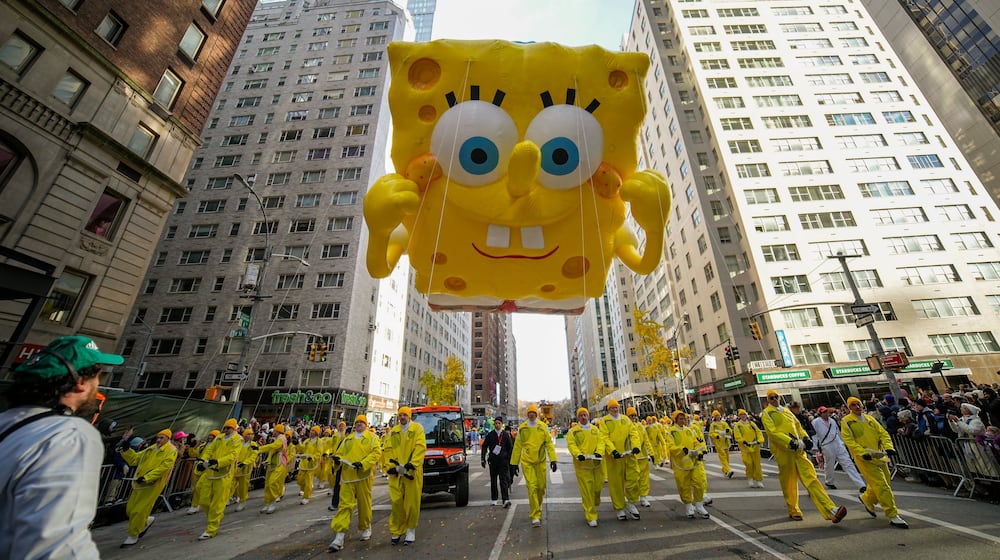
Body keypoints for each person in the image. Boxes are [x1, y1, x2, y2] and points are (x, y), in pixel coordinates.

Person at [0, 335, 123, 559]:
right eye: (98, 375)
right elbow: (57, 544)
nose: (98, 384)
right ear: (80, 382)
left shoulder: (7, 424)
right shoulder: (68, 435)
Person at [761, 390, 847, 523]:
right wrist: (790, 442)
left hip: (798, 451)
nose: (774, 399)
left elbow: (798, 426)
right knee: (789, 483)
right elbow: (772, 433)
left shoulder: (786, 411)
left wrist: (805, 438)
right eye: (771, 398)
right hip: (784, 453)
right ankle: (793, 509)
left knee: (811, 478)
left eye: (776, 397)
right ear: (768, 400)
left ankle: (831, 509)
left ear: (779, 397)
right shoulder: (767, 414)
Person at [841, 397, 907, 528]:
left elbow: (883, 433)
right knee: (881, 485)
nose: (857, 407)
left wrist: (889, 447)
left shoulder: (871, 419)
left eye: (858, 404)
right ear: (850, 408)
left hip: (880, 455)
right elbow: (848, 440)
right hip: (864, 458)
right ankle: (892, 514)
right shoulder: (847, 421)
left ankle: (867, 498)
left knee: (885, 482)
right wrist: (862, 453)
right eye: (853, 405)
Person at [328, 415, 382, 552]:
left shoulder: (372, 438)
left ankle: (366, 527)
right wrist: (336, 459)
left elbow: (376, 453)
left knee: (364, 504)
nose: (358, 424)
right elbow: (340, 453)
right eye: (357, 422)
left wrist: (363, 463)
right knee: (345, 505)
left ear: (366, 424)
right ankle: (339, 537)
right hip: (347, 477)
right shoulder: (348, 438)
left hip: (363, 476)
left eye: (361, 422)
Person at [119, 427, 177, 546]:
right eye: (157, 437)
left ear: (168, 438)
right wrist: (126, 449)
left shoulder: (171, 451)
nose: (158, 440)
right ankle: (145, 521)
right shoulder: (150, 449)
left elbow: (164, 468)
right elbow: (135, 459)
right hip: (139, 483)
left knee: (139, 510)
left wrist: (147, 477)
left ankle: (133, 534)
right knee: (130, 509)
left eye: (161, 438)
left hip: (153, 484)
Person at [383, 406, 426, 545]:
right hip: (397, 474)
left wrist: (413, 464)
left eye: (404, 415)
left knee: (411, 503)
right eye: (400, 415)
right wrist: (390, 467)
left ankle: (410, 530)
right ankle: (396, 530)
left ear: (409, 416)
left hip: (411, 473)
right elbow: (389, 449)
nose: (402, 417)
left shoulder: (417, 429)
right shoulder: (394, 432)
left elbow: (420, 446)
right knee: (396, 503)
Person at [511, 404, 558, 527]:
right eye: (529, 413)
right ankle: (535, 515)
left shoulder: (542, 427)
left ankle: (538, 505)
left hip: (540, 462)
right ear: (528, 415)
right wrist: (514, 463)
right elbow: (517, 446)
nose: (531, 415)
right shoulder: (522, 428)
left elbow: (549, 444)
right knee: (532, 487)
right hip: (527, 462)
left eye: (533, 413)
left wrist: (553, 460)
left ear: (536, 415)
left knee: (541, 487)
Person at [197, 418, 241, 539]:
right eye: (225, 428)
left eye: (228, 428)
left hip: (224, 474)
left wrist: (218, 462)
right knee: (204, 500)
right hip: (210, 472)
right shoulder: (219, 437)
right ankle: (216, 516)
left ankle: (211, 529)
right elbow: (210, 449)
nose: (226, 430)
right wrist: (202, 460)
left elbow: (232, 456)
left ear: (233, 428)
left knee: (218, 503)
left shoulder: (237, 439)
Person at [598, 399, 641, 521]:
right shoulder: (605, 421)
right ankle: (619, 508)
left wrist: (636, 446)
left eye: (616, 407)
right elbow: (604, 437)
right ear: (609, 409)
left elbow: (633, 433)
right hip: (615, 458)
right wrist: (613, 451)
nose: (615, 410)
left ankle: (631, 503)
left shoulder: (625, 419)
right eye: (612, 408)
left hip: (629, 456)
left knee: (634, 479)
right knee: (616, 484)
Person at [665, 410, 710, 519]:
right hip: (681, 464)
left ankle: (699, 505)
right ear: (675, 420)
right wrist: (681, 450)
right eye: (680, 419)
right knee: (684, 486)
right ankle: (688, 505)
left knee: (699, 483)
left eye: (684, 418)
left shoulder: (690, 431)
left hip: (694, 462)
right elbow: (671, 447)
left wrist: (700, 452)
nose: (683, 420)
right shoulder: (670, 432)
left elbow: (696, 443)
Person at [811, 406, 866, 492]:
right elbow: (814, 435)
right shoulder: (816, 422)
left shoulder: (832, 421)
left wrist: (843, 443)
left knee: (848, 463)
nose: (826, 414)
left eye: (826, 412)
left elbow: (838, 432)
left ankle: (861, 485)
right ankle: (829, 481)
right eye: (824, 412)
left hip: (837, 443)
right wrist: (814, 446)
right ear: (820, 414)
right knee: (829, 464)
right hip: (826, 445)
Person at [566, 407, 604, 526]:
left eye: (585, 415)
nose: (583, 417)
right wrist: (578, 455)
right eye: (581, 415)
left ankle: (594, 502)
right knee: (587, 492)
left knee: (597, 489)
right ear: (578, 417)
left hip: (596, 465)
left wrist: (599, 452)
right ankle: (591, 516)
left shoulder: (595, 430)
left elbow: (601, 442)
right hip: (582, 467)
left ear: (588, 416)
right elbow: (572, 445)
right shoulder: (573, 432)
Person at [481, 416, 513, 507]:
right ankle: (494, 499)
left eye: (499, 423)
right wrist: (482, 459)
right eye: (496, 423)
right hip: (493, 461)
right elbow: (484, 446)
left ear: (502, 424)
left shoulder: (506, 435)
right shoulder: (490, 435)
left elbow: (510, 448)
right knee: (493, 480)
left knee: (503, 480)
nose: (497, 425)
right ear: (494, 424)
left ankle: (505, 499)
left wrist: (510, 460)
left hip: (503, 462)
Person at [258, 424, 290, 514]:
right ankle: (267, 503)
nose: (273, 432)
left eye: (274, 430)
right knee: (267, 484)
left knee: (273, 482)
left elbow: (273, 447)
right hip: (272, 465)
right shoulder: (277, 439)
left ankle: (272, 503)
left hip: (280, 464)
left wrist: (259, 449)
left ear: (278, 431)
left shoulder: (281, 439)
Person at [626, 407, 655, 507]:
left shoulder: (640, 427)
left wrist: (651, 453)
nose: (633, 417)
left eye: (634, 415)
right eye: (631, 415)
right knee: (633, 479)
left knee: (644, 478)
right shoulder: (625, 427)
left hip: (642, 457)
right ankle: (632, 499)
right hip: (631, 457)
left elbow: (646, 441)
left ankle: (643, 497)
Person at [733, 409, 765, 488]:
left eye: (744, 414)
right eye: (741, 415)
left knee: (757, 464)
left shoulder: (752, 424)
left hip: (754, 447)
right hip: (745, 448)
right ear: (739, 416)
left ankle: (759, 480)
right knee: (748, 463)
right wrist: (743, 441)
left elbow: (758, 432)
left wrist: (759, 440)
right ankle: (750, 478)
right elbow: (737, 436)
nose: (743, 416)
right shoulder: (738, 425)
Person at [232, 428, 259, 511]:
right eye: (247, 434)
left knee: (243, 486)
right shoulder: (239, 443)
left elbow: (254, 455)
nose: (249, 436)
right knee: (231, 484)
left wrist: (245, 462)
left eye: (251, 434)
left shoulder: (254, 445)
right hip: (236, 467)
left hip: (245, 469)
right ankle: (233, 497)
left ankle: (242, 501)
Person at [296, 426, 323, 504]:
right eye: (311, 430)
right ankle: (305, 489)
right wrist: (297, 444)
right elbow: (302, 449)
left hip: (311, 464)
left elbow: (319, 452)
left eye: (313, 431)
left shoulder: (319, 441)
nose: (311, 432)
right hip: (304, 463)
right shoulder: (307, 441)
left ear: (316, 433)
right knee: (300, 479)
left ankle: (306, 497)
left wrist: (313, 457)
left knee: (308, 481)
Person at [328, 420, 348, 511]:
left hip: (350, 466)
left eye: (343, 426)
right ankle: (335, 503)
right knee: (337, 482)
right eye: (340, 426)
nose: (341, 427)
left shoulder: (349, 438)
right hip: (339, 462)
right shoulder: (335, 436)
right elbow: (331, 445)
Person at [708, 410, 735, 478]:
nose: (718, 416)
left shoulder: (724, 423)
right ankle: (728, 470)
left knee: (727, 458)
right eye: (716, 415)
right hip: (718, 443)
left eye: (718, 415)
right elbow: (711, 433)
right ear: (714, 417)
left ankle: (725, 470)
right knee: (723, 457)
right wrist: (716, 436)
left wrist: (729, 431)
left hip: (726, 442)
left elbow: (729, 430)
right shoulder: (713, 425)